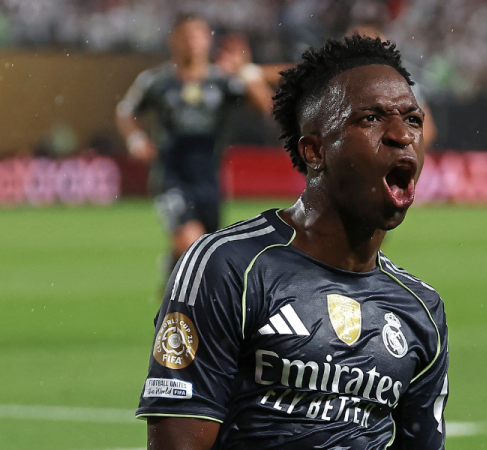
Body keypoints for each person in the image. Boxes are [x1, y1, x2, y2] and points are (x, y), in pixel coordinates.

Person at [136, 35, 449, 450]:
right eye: (371, 118)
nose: (401, 134)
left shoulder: (421, 309)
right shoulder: (228, 268)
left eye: (412, 119)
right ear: (315, 151)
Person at [115, 14, 275, 274]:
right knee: (193, 242)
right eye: (185, 36)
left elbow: (264, 105)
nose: (191, 42)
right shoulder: (156, 80)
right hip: (171, 175)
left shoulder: (221, 80)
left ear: (208, 40)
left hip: (209, 178)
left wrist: (245, 71)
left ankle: (172, 268)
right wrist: (136, 139)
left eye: (197, 36)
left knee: (204, 251)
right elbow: (125, 111)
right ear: (173, 40)